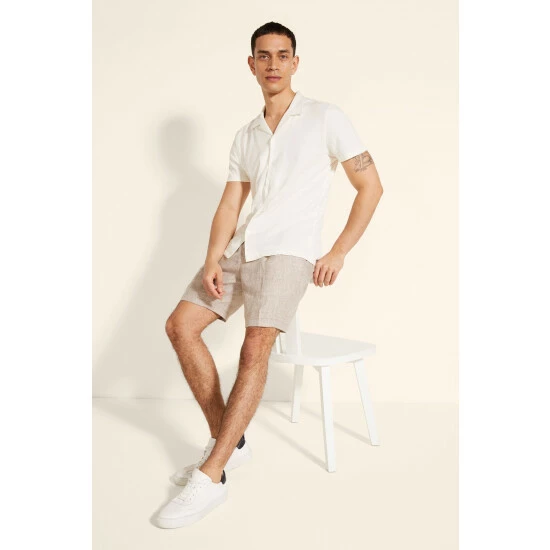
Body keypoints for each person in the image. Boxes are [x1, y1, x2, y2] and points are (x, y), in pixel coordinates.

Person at [154, 21, 383, 529]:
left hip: (289, 253)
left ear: (295, 63)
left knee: (254, 348)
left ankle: (211, 477)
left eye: (282, 55)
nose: (273, 64)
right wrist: (213, 258)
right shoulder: (247, 134)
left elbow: (370, 186)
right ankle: (230, 443)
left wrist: (339, 251)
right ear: (252, 64)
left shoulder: (325, 117)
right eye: (264, 55)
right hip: (243, 248)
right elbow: (231, 201)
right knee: (180, 326)